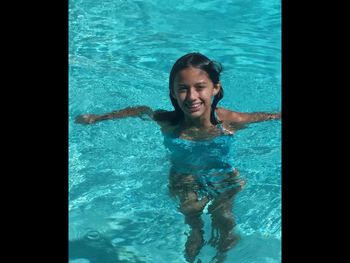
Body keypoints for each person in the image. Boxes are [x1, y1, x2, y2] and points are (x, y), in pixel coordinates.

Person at [75, 52, 281, 262]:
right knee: (190, 211)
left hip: (222, 174)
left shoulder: (229, 121)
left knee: (225, 220)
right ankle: (195, 234)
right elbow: (142, 110)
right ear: (173, 93)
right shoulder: (169, 122)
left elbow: (268, 116)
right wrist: (99, 118)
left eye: (200, 87)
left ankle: (222, 256)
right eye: (183, 89)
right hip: (184, 175)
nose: (191, 97)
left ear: (215, 88)